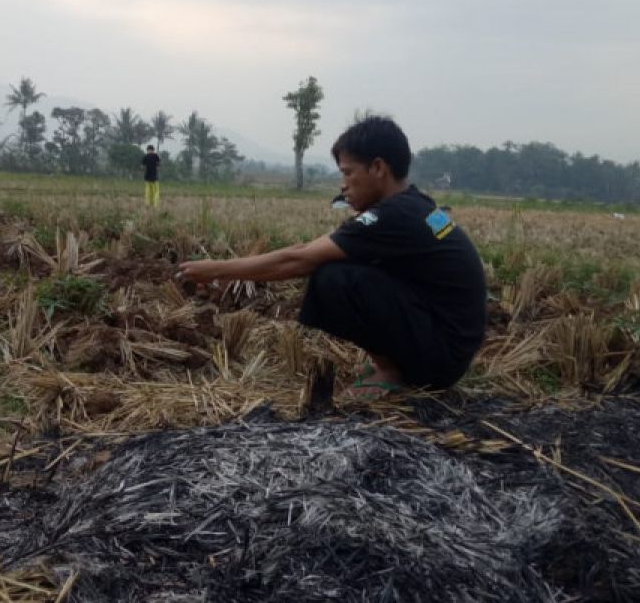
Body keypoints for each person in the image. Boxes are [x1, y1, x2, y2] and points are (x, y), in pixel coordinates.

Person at [177, 116, 487, 399]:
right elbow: (310, 247)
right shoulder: (413, 205)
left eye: (348, 173)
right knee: (349, 262)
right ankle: (395, 364)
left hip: (441, 357)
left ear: (378, 168)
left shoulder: (393, 215)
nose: (343, 185)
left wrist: (218, 269)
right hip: (448, 346)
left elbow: (299, 259)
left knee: (333, 276)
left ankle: (392, 373)